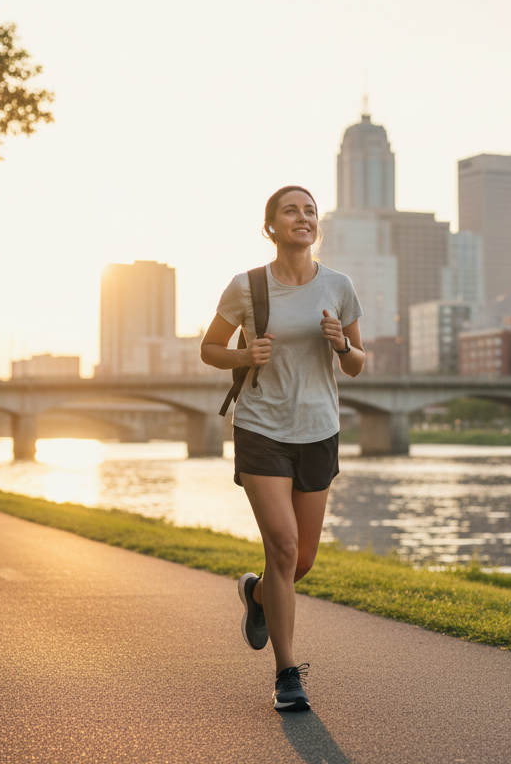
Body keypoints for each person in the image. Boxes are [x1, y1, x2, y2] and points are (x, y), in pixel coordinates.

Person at [201, 186, 364, 713]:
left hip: (318, 431)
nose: (303, 217)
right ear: (270, 226)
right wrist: (244, 355)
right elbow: (209, 349)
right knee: (285, 548)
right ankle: (287, 674)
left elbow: (357, 364)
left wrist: (342, 343)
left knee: (303, 561)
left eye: (310, 210)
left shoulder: (339, 286)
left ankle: (256, 595)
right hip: (262, 428)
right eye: (291, 211)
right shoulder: (247, 286)